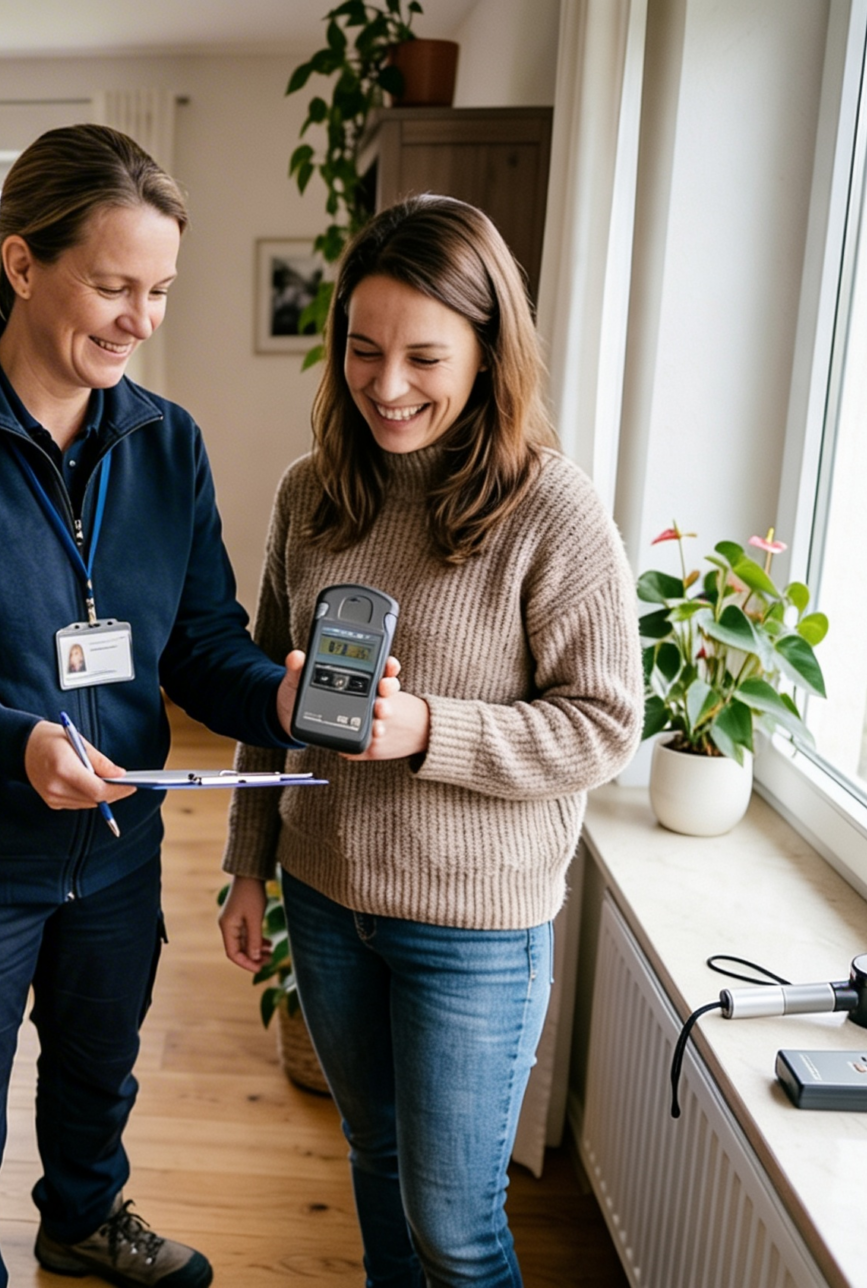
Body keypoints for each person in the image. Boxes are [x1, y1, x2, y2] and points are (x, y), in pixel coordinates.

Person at [0, 123, 314, 1288]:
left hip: (117, 851)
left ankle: (82, 1220)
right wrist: (8, 738)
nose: (141, 318)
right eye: (115, 285)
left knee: (97, 1079)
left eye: (162, 290)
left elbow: (198, 645)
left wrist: (279, 693)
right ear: (23, 266)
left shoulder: (165, 443)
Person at [216, 195, 641, 1288]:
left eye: (423, 356)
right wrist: (247, 865)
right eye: (363, 351)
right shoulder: (311, 494)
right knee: (374, 1162)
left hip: (476, 929)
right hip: (324, 895)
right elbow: (276, 692)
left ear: (490, 351)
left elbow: (604, 725)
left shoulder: (554, 511)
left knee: (455, 1226)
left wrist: (426, 730)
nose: (388, 385)